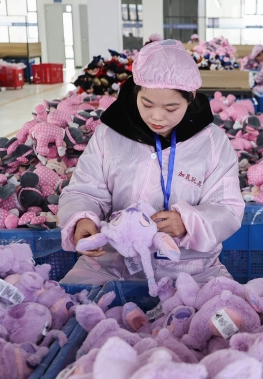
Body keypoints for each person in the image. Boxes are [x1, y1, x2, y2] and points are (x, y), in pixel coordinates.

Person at [59, 39, 245, 285]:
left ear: (190, 98)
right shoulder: (110, 134)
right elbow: (85, 190)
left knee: (221, 315)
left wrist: (188, 222)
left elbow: (228, 207)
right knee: (69, 309)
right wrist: (83, 219)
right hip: (113, 263)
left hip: (191, 268)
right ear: (136, 91)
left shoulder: (212, 142)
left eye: (171, 108)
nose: (157, 117)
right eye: (147, 104)